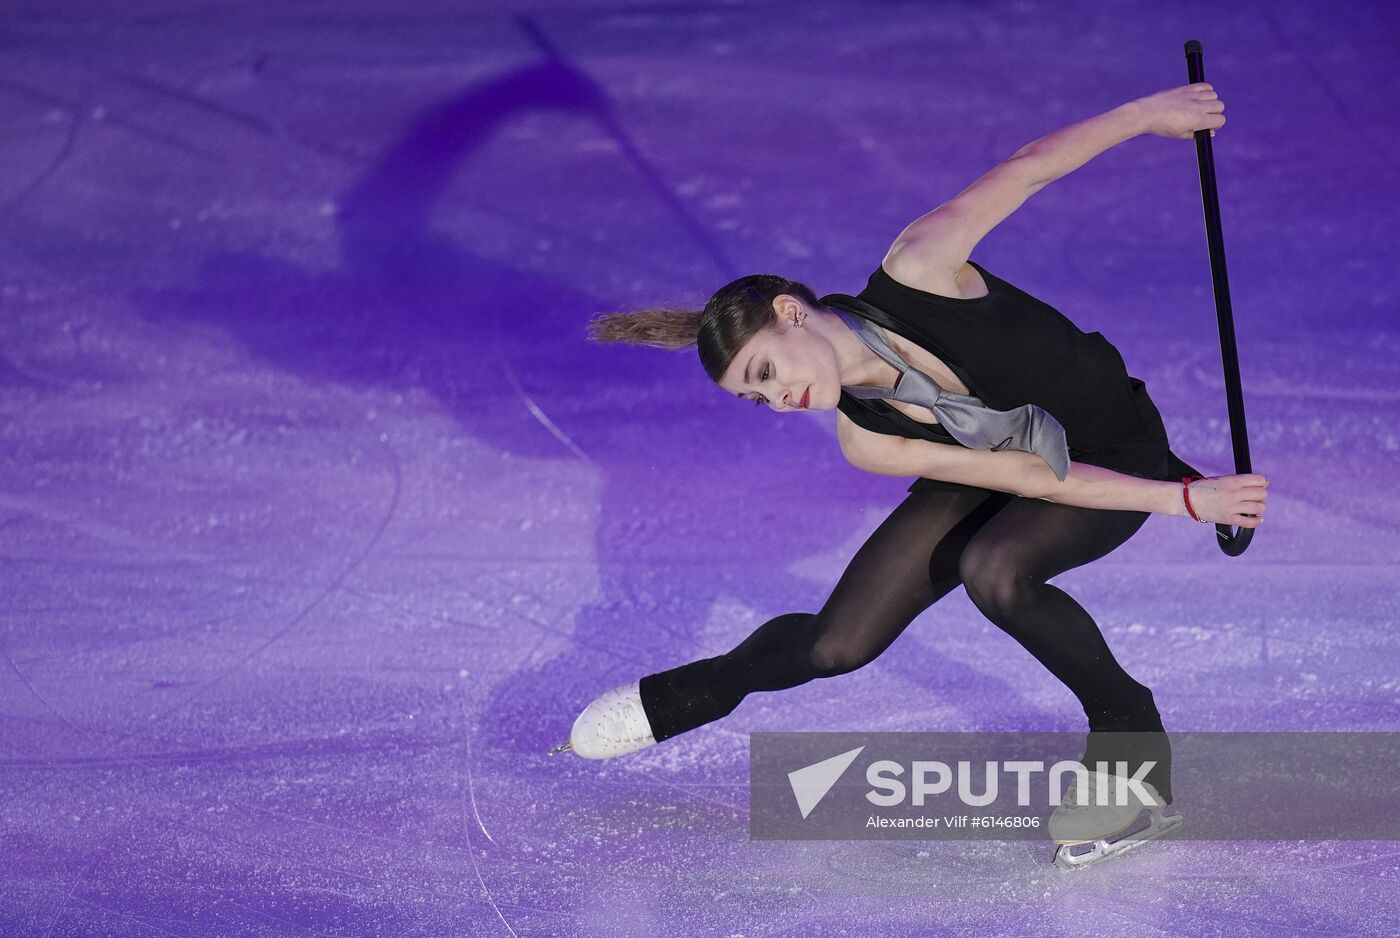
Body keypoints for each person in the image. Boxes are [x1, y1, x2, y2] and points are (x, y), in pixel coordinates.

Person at [552, 83, 1265, 852]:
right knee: (836, 646)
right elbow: (1027, 480)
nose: (780, 400)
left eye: (764, 372)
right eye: (756, 400)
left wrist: (1146, 116)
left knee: (997, 567)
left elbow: (1029, 168)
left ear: (790, 312)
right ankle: (703, 688)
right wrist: (1186, 502)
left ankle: (1131, 739)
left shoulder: (920, 267)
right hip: (1005, 465)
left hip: (1109, 442)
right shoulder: (867, 438)